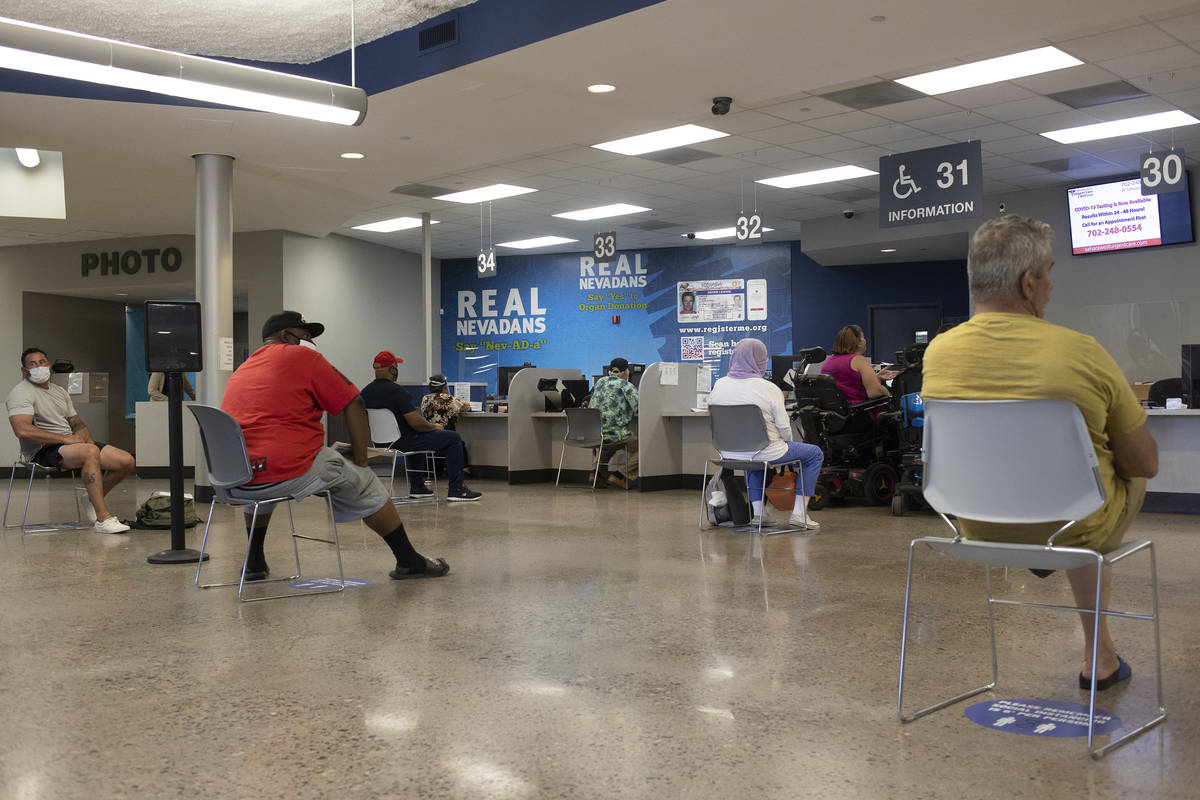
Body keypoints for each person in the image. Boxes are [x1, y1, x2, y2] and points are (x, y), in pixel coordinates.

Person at [923, 214, 1158, 692]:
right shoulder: (1080, 351)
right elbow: (1145, 463)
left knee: (1084, 486)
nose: (1051, 285)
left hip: (974, 524)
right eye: (1048, 273)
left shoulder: (938, 353)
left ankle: (1102, 649)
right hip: (1075, 525)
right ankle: (1099, 656)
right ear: (1028, 283)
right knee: (1115, 472)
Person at [221, 311, 449, 581]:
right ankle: (409, 561)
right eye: (305, 336)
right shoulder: (304, 357)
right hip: (289, 467)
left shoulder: (244, 367)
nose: (309, 343)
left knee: (264, 475)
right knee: (364, 480)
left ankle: (254, 562)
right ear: (285, 336)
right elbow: (354, 402)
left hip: (241, 475)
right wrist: (361, 457)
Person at [6, 347, 135, 533]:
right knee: (90, 453)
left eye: (42, 362)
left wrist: (86, 438)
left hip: (69, 444)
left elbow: (75, 421)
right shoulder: (21, 393)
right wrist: (65, 439)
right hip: (43, 451)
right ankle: (102, 519)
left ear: (48, 364)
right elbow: (22, 430)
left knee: (126, 461)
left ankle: (90, 499)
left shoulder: (59, 391)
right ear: (24, 370)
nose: (38, 366)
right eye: (32, 364)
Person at [708, 338, 824, 529]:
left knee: (753, 457)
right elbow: (785, 429)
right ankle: (799, 514)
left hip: (727, 453)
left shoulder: (719, 385)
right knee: (814, 453)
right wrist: (786, 443)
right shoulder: (769, 388)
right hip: (765, 451)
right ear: (758, 360)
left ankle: (759, 514)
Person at [360, 351, 481, 502]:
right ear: (392, 369)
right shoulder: (397, 392)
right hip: (402, 442)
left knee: (415, 436)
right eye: (396, 366)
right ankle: (457, 489)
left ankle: (418, 487)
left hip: (380, 442)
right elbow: (416, 422)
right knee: (453, 438)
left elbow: (362, 422)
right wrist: (434, 427)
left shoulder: (365, 392)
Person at [588, 357, 639, 489]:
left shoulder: (599, 383)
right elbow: (639, 407)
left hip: (597, 434)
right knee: (645, 448)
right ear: (624, 371)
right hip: (617, 435)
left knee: (606, 447)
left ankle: (597, 474)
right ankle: (620, 475)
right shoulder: (626, 386)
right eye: (628, 369)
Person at [820, 324, 897, 406]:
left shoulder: (827, 362)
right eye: (863, 337)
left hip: (838, 414)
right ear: (858, 342)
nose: (865, 340)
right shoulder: (858, 360)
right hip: (861, 413)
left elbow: (848, 384)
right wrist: (887, 392)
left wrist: (875, 377)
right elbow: (875, 392)